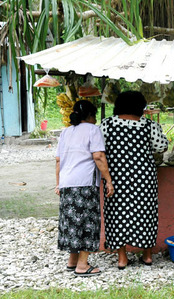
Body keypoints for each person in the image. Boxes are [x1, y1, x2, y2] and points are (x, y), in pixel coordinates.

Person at [100, 91, 168, 270]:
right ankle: (146, 255)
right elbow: (162, 146)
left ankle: (122, 258)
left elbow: (98, 148)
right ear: (140, 106)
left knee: (117, 214)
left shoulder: (107, 124)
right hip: (143, 177)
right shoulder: (149, 125)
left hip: (116, 177)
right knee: (145, 213)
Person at [55, 100, 114, 277]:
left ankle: (72, 261)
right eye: (94, 115)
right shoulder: (92, 130)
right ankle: (82, 265)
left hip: (67, 182)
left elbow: (58, 160)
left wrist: (58, 182)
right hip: (84, 182)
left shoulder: (65, 132)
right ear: (90, 115)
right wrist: (109, 180)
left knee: (72, 223)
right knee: (87, 222)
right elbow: (98, 156)